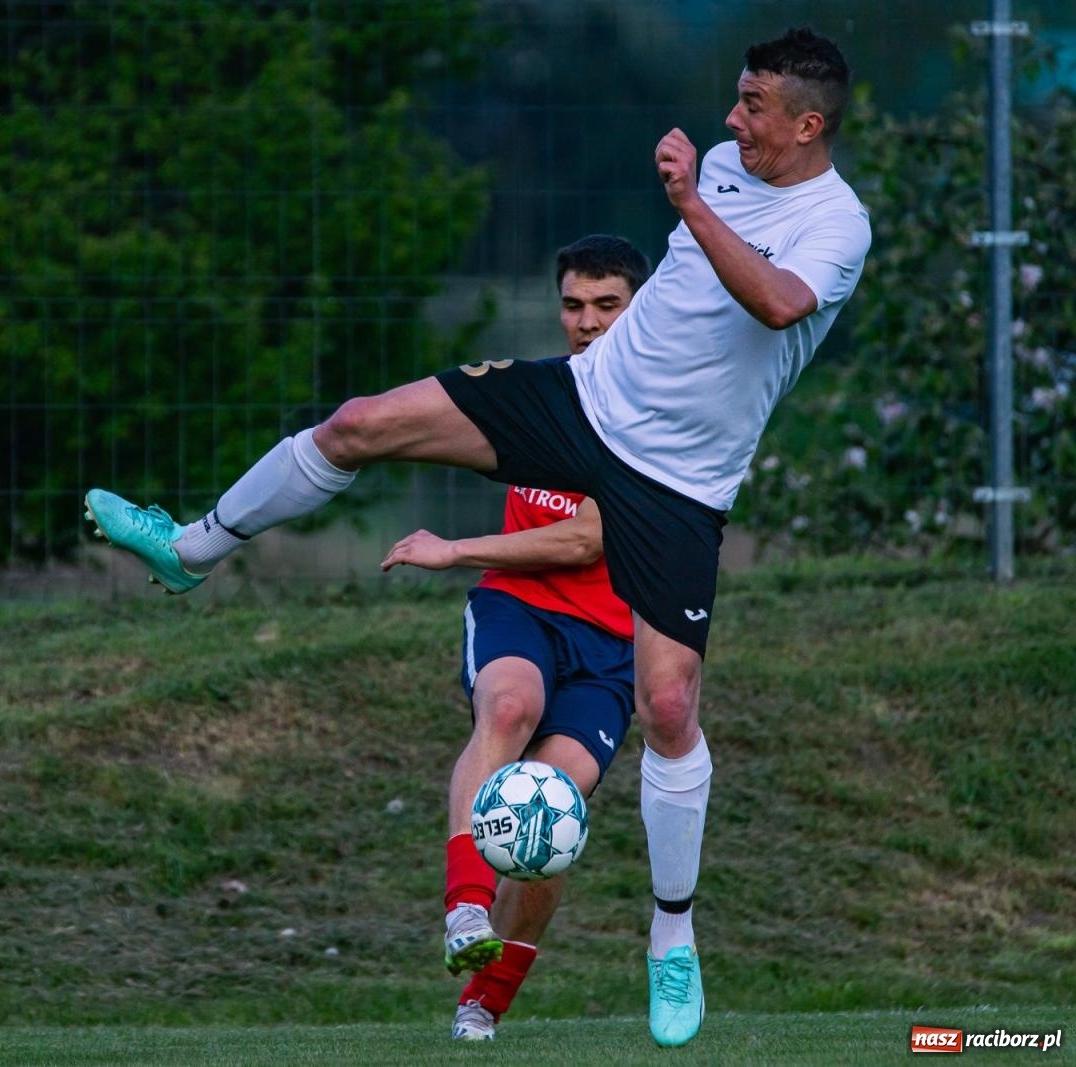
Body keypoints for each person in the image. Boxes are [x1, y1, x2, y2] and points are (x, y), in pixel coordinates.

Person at [85, 26, 869, 1048]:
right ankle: (189, 548)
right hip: (580, 403)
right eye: (734, 98)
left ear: (807, 124)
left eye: (754, 105)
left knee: (670, 704)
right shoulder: (725, 164)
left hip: (678, 483)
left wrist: (682, 203)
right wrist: (692, 199)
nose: (732, 121)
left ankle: (670, 936)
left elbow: (773, 306)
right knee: (360, 420)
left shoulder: (834, 221)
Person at [378, 235, 648, 1041]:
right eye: (573, 305)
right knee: (507, 707)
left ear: (638, 310)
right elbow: (444, 425)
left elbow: (585, 542)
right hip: (516, 611)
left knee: (547, 818)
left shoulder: (656, 413)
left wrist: (451, 548)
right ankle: (464, 906)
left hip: (608, 646)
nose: (587, 322)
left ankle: (484, 1002)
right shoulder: (538, 396)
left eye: (607, 305)